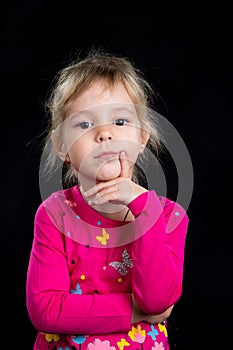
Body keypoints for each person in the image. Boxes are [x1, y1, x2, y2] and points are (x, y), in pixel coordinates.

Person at [26, 50, 189, 350]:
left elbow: (157, 299)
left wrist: (144, 209)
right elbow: (46, 310)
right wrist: (136, 311)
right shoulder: (54, 214)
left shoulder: (168, 216)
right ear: (62, 146)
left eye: (120, 121)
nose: (104, 134)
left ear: (142, 139)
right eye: (85, 125)